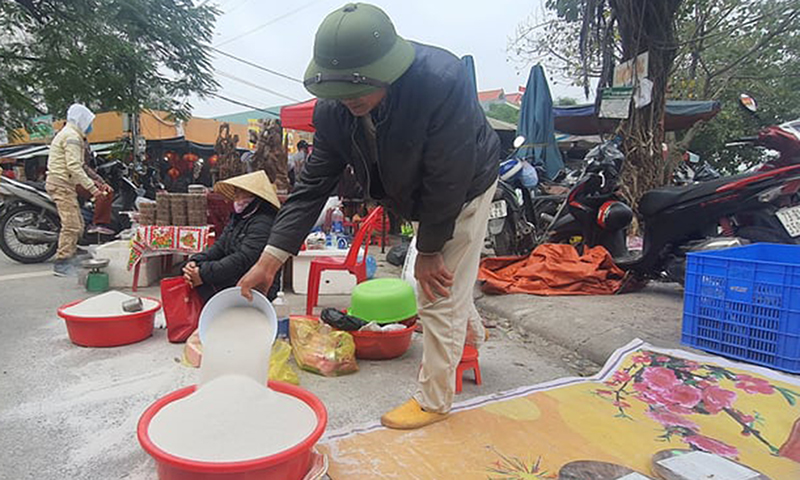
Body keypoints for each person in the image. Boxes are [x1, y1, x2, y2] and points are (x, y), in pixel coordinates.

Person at [238, 3, 500, 430]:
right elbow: (310, 189)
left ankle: (434, 401)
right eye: (340, 90)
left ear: (390, 69)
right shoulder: (334, 113)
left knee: (434, 289)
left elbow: (447, 177)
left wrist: (431, 248)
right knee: (444, 278)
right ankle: (467, 330)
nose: (350, 99)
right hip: (415, 196)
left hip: (465, 185)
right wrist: (269, 261)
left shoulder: (441, 82)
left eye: (360, 87)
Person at [183, 171, 282, 302]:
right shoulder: (239, 217)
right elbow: (220, 246)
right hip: (234, 275)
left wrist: (203, 273)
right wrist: (195, 261)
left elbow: (244, 259)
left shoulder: (263, 221)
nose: (236, 196)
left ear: (253, 195)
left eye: (240, 192)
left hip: (253, 284)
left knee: (203, 283)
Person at [45, 104, 106, 276]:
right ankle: (62, 262)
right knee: (71, 225)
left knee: (79, 224)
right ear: (82, 120)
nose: (90, 126)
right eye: (89, 122)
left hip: (64, 183)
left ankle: (72, 251)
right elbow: (74, 167)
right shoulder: (72, 136)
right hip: (61, 184)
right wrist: (93, 188)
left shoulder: (69, 134)